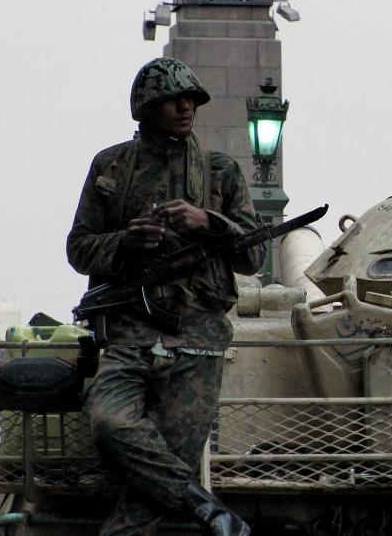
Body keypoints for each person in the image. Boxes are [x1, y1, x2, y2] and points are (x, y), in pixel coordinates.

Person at [68, 57, 265, 536]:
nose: (186, 107)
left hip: (197, 339)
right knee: (109, 422)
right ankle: (203, 504)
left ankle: (200, 512)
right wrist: (125, 243)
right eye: (174, 99)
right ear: (147, 107)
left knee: (158, 472)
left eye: (191, 99)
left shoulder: (220, 172)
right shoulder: (110, 166)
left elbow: (255, 255)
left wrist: (209, 222)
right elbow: (79, 249)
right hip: (129, 331)